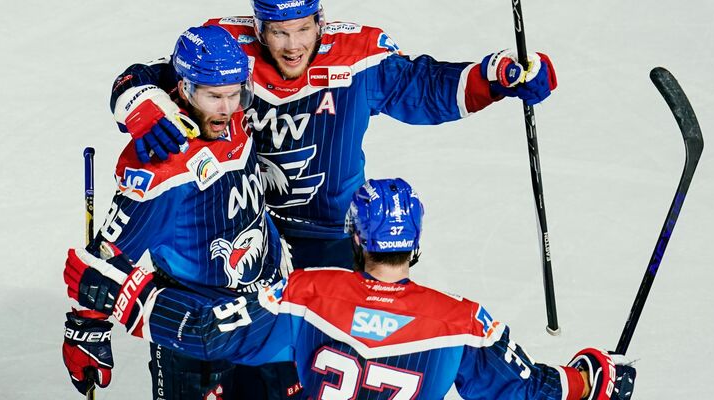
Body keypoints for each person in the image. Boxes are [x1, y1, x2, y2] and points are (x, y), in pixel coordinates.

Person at [64, 178, 636, 400]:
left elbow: (214, 337)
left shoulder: (307, 295)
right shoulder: (462, 322)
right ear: (415, 244)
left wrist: (120, 297)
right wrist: (592, 378)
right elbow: (531, 391)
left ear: (354, 239)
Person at [109, 0, 558, 270]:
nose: (292, 45)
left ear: (320, 18)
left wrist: (496, 78)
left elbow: (423, 89)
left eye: (303, 27)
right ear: (259, 25)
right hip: (240, 231)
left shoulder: (357, 57)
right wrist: (143, 106)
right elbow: (148, 76)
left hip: (332, 234)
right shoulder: (227, 49)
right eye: (278, 31)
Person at [61, 25, 300, 400]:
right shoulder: (160, 165)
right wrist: (86, 331)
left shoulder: (236, 114)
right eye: (214, 96)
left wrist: (132, 91)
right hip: (195, 334)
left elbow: (149, 72)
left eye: (234, 94)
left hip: (267, 317)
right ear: (185, 89)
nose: (226, 108)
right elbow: (106, 259)